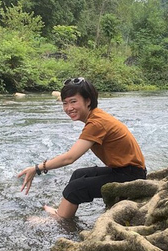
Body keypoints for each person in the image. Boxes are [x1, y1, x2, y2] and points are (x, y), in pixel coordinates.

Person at [17, 77, 146, 218]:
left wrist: (36, 168)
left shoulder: (97, 123)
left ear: (88, 101)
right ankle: (63, 212)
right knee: (78, 174)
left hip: (132, 176)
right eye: (65, 103)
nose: (68, 108)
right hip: (126, 171)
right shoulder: (96, 117)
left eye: (73, 101)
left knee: (75, 189)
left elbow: (70, 158)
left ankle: (60, 221)